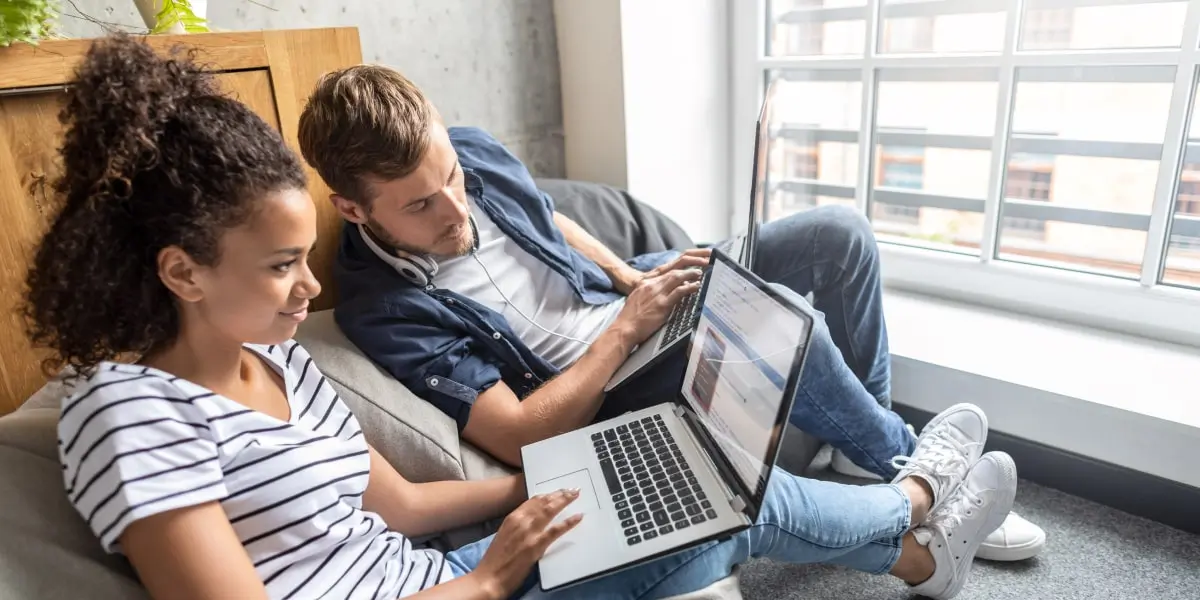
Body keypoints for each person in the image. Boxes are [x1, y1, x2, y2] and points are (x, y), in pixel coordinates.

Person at [25, 35, 1017, 600]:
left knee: (685, 486)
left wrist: (556, 486)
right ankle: (916, 517)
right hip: (455, 593)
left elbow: (405, 509)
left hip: (438, 569)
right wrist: (491, 582)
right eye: (283, 266)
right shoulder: (126, 412)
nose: (310, 288)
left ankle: (913, 527)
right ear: (181, 271)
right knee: (717, 507)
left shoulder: (280, 368)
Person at [297, 65, 1046, 562]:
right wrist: (630, 324)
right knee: (779, 320)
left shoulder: (469, 150)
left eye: (453, 179)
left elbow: (549, 215)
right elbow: (523, 433)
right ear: (352, 207)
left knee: (837, 238)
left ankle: (860, 443)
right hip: (605, 380)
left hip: (625, 298)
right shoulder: (381, 308)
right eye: (422, 205)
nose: (455, 209)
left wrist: (626, 277)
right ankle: (917, 475)